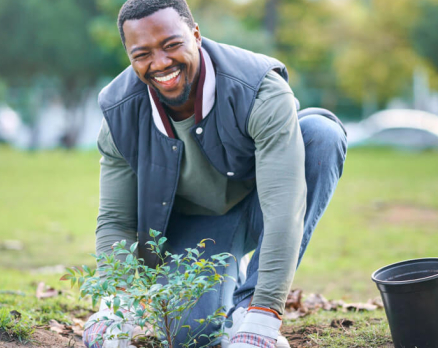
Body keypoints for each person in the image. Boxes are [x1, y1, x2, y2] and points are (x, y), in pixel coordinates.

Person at [83, 0, 347, 347]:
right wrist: (116, 307)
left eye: (171, 45)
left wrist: (263, 315)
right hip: (193, 227)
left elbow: (283, 204)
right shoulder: (119, 113)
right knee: (192, 336)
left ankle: (248, 307)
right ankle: (222, 277)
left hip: (260, 206)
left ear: (195, 34)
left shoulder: (259, 88)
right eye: (142, 53)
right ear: (129, 56)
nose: (160, 63)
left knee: (321, 135)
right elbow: (116, 220)